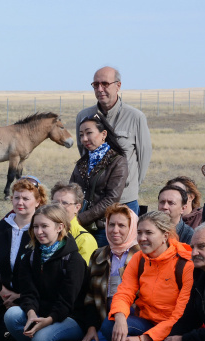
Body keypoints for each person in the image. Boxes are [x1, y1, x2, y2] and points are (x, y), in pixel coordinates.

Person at [81, 211, 194, 341]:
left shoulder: (185, 264)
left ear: (165, 236)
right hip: (148, 321)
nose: (142, 238)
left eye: (149, 233)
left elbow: (179, 317)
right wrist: (119, 317)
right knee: (110, 325)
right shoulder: (140, 258)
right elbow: (124, 292)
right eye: (139, 232)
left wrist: (143, 339)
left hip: (174, 329)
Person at [4, 205, 88, 341]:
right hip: (41, 313)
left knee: (42, 340)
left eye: (44, 226)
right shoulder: (30, 257)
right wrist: (31, 314)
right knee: (12, 316)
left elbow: (67, 301)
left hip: (70, 317)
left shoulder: (74, 260)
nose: (39, 231)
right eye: (36, 226)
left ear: (60, 227)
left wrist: (48, 320)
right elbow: (28, 292)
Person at [76, 67, 152, 216]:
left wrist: (128, 185)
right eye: (95, 85)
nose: (100, 89)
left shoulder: (135, 117)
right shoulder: (84, 116)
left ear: (118, 85)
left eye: (105, 83)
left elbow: (144, 157)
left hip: (125, 201)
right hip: (93, 200)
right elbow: (83, 153)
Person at [78, 204, 141, 341]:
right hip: (105, 320)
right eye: (111, 224)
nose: (115, 230)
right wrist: (91, 327)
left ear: (132, 228)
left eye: (122, 226)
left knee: (114, 309)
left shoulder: (142, 255)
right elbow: (90, 295)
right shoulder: (98, 255)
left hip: (134, 318)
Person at [0, 176, 48, 311]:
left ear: (38, 201)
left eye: (26, 199)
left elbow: (46, 274)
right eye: (16, 198)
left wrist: (20, 296)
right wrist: (2, 291)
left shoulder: (42, 231)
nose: (20, 202)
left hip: (33, 302)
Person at [70, 113, 128, 247]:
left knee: (97, 265)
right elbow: (70, 190)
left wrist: (81, 218)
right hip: (77, 225)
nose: (84, 139)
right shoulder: (82, 162)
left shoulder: (117, 162)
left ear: (103, 134)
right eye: (81, 135)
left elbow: (111, 199)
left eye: (89, 133)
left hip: (101, 227)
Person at [50, 181, 98, 263]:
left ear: (77, 207)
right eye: (55, 203)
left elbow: (82, 273)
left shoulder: (85, 240)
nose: (59, 207)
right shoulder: (45, 232)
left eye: (65, 203)